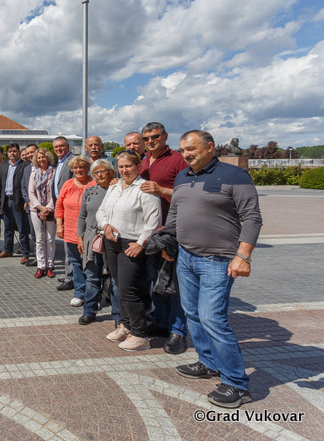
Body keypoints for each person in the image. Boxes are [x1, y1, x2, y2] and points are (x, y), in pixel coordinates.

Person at [168, 130, 262, 409]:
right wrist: (166, 238)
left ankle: (236, 383)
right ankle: (208, 362)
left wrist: (243, 256)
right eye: (183, 150)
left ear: (210, 147)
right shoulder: (182, 176)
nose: (186, 154)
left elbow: (252, 217)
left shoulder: (235, 175)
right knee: (192, 313)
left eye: (191, 149)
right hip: (186, 257)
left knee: (212, 318)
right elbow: (174, 213)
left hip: (218, 260)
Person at [96, 150, 161, 352]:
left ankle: (140, 335)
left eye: (129, 166)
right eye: (121, 166)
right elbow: (101, 211)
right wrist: (105, 225)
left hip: (131, 244)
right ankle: (125, 325)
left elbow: (154, 221)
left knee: (128, 289)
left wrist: (140, 243)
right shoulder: (114, 187)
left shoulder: (144, 189)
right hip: (112, 242)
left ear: (138, 166)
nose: (124, 170)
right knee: (118, 286)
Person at [139, 122, 191, 355]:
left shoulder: (177, 159)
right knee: (156, 281)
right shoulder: (143, 161)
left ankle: (178, 331)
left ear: (165, 136)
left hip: (172, 230)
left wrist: (162, 191)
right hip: (150, 232)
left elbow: (190, 192)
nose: (150, 141)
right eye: (146, 138)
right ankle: (160, 321)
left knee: (174, 283)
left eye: (155, 136)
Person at [77, 159, 117, 325]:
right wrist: (80, 237)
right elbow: (82, 216)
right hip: (91, 237)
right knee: (92, 276)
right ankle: (89, 311)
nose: (99, 175)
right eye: (95, 172)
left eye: (103, 171)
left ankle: (118, 315)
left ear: (111, 172)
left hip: (113, 238)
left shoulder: (118, 188)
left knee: (114, 278)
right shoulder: (90, 191)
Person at [55, 156, 95, 304]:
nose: (78, 170)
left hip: (90, 231)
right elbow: (59, 205)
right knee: (76, 263)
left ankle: (93, 295)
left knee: (91, 265)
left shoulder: (94, 183)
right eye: (75, 168)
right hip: (71, 229)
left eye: (81, 167)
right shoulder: (68, 184)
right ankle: (80, 293)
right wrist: (59, 225)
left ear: (87, 168)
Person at [0, 143, 30, 264]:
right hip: (6, 201)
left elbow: (28, 184)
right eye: (10, 151)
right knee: (7, 228)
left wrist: (27, 201)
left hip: (19, 201)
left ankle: (25, 254)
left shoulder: (25, 165)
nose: (12, 153)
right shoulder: (4, 165)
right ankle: (7, 250)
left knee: (22, 229)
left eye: (14, 151)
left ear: (19, 152)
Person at [27, 148, 56, 278]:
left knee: (50, 239)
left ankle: (50, 266)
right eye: (38, 158)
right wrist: (40, 207)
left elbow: (56, 192)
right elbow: (31, 192)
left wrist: (47, 208)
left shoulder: (54, 172)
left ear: (48, 157)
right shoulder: (34, 173)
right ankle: (41, 266)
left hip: (51, 209)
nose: (41, 159)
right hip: (36, 210)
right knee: (39, 239)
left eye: (43, 157)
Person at [52, 136, 76, 291]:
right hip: (61, 206)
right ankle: (69, 274)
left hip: (70, 208)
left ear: (67, 146)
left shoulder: (72, 160)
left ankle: (71, 278)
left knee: (70, 246)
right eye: (56, 147)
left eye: (61, 146)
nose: (59, 149)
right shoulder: (59, 162)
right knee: (67, 243)